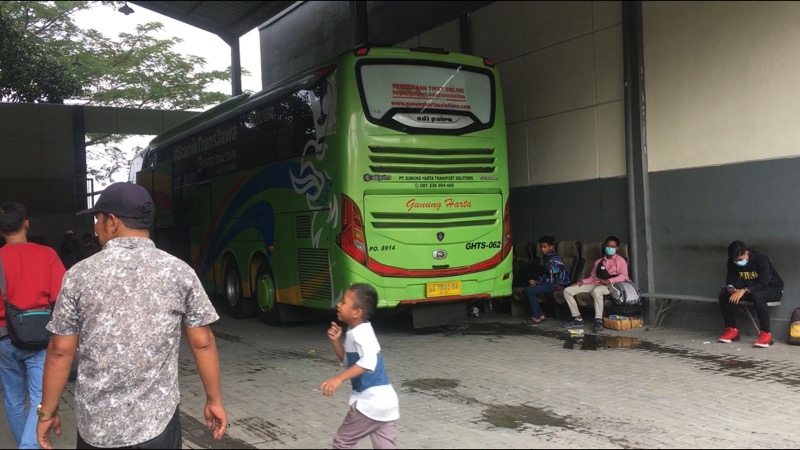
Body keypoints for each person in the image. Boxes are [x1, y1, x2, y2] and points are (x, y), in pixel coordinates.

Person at [36, 182, 227, 449]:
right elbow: (203, 342)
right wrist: (214, 401)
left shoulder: (79, 276)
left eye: (97, 219)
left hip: (98, 428)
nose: (95, 227)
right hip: (157, 424)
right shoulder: (179, 272)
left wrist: (47, 412)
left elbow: (60, 351)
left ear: (112, 222)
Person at [0, 202, 66, 449]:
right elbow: (60, 296)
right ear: (27, 223)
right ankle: (29, 445)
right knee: (41, 396)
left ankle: (25, 444)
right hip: (39, 337)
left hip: (4, 338)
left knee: (14, 399)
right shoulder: (46, 254)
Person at [320, 284, 399, 449]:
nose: (338, 305)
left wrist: (338, 379)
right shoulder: (355, 330)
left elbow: (369, 362)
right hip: (385, 402)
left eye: (343, 302)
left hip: (371, 402)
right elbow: (351, 362)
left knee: (342, 442)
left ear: (356, 312)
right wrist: (336, 341)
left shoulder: (360, 333)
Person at [718, 240, 783, 347]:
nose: (737, 262)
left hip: (773, 288)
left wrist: (744, 290)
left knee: (758, 295)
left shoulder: (761, 259)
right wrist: (731, 288)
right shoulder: (732, 261)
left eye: (740, 259)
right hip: (751, 289)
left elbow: (763, 284)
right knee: (724, 294)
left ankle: (766, 334)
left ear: (746, 253)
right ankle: (732, 331)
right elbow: (730, 279)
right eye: (735, 260)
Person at [562, 235, 629, 333]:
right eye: (608, 246)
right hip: (596, 283)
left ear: (617, 248)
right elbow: (593, 277)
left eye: (613, 246)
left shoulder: (620, 261)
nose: (610, 248)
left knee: (597, 291)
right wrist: (582, 282)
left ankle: (598, 320)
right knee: (567, 290)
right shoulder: (599, 261)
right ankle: (578, 318)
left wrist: (608, 281)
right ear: (605, 246)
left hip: (610, 286)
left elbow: (624, 276)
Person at [521, 236, 570, 325]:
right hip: (551, 282)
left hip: (558, 284)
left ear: (551, 247)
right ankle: (540, 315)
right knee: (528, 289)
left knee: (529, 290)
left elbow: (553, 279)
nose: (542, 249)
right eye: (541, 247)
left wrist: (538, 283)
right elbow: (547, 275)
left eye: (545, 247)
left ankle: (537, 316)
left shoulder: (554, 260)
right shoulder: (547, 258)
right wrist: (536, 282)